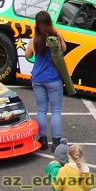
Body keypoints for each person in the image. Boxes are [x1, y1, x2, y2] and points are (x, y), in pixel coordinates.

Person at [26, 11, 66, 151]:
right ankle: (56, 142)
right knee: (56, 111)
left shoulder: (34, 39)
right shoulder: (57, 37)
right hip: (54, 78)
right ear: (50, 22)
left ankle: (42, 140)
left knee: (41, 109)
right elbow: (64, 49)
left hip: (38, 77)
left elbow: (27, 55)